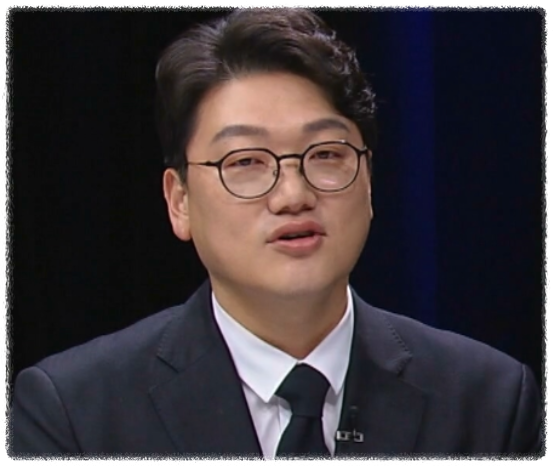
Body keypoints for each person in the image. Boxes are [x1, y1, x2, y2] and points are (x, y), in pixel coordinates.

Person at [10, 8, 542, 457]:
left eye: (326, 154)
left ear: (369, 181)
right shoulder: (73, 414)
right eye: (246, 161)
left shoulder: (489, 402)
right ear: (179, 201)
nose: (292, 194)